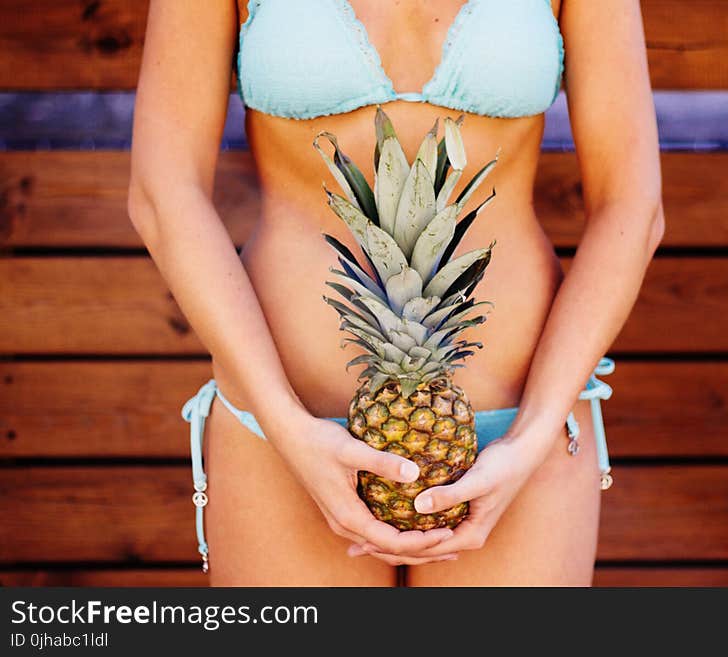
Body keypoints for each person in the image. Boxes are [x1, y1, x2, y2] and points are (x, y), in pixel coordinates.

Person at [128, 0, 664, 586]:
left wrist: (535, 432)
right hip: (282, 421)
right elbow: (163, 190)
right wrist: (283, 423)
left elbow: (632, 206)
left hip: (522, 427)